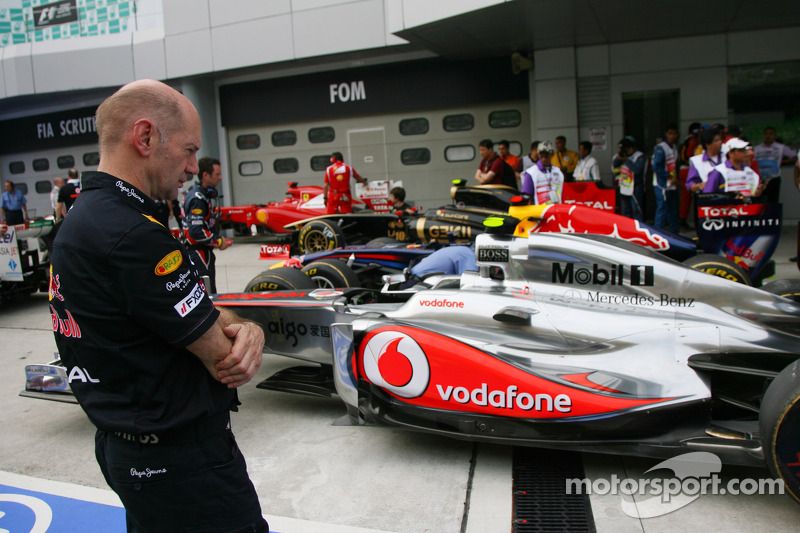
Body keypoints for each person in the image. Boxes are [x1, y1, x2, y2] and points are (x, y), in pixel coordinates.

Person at [50, 79, 268, 533]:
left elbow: (195, 309)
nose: (193, 166)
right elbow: (222, 353)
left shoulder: (89, 217)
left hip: (132, 450)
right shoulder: (132, 234)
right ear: (145, 137)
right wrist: (248, 330)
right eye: (189, 150)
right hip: (180, 460)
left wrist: (242, 324)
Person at [184, 156, 231, 293]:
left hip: (204, 251)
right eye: (217, 174)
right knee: (207, 294)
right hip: (198, 253)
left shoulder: (204, 195)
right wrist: (218, 241)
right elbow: (196, 231)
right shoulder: (198, 199)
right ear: (205, 175)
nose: (220, 178)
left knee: (210, 291)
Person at [754, 126, 797, 203]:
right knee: (758, 201)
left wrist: (783, 162)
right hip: (759, 180)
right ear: (763, 135)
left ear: (775, 136)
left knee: (773, 202)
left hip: (774, 179)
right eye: (766, 134)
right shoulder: (756, 149)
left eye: (771, 134)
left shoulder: (780, 147)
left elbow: (794, 156)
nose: (768, 136)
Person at [652, 125, 680, 233]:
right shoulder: (661, 147)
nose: (672, 136)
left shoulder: (674, 147)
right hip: (661, 184)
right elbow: (656, 167)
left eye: (674, 133)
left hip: (672, 183)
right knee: (662, 208)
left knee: (673, 209)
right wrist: (668, 176)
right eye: (670, 133)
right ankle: (657, 233)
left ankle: (674, 233)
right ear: (666, 134)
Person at [686, 127, 723, 192]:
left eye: (720, 140)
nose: (720, 142)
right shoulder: (697, 161)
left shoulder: (727, 156)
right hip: (708, 198)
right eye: (716, 141)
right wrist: (699, 186)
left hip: (729, 198)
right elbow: (689, 184)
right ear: (707, 144)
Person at [616, 138, 645, 221]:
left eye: (626, 149)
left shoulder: (639, 156)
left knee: (636, 211)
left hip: (635, 187)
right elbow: (615, 165)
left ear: (631, 148)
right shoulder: (622, 156)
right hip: (624, 187)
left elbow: (637, 170)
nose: (624, 151)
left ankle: (638, 230)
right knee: (625, 212)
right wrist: (619, 158)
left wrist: (626, 160)